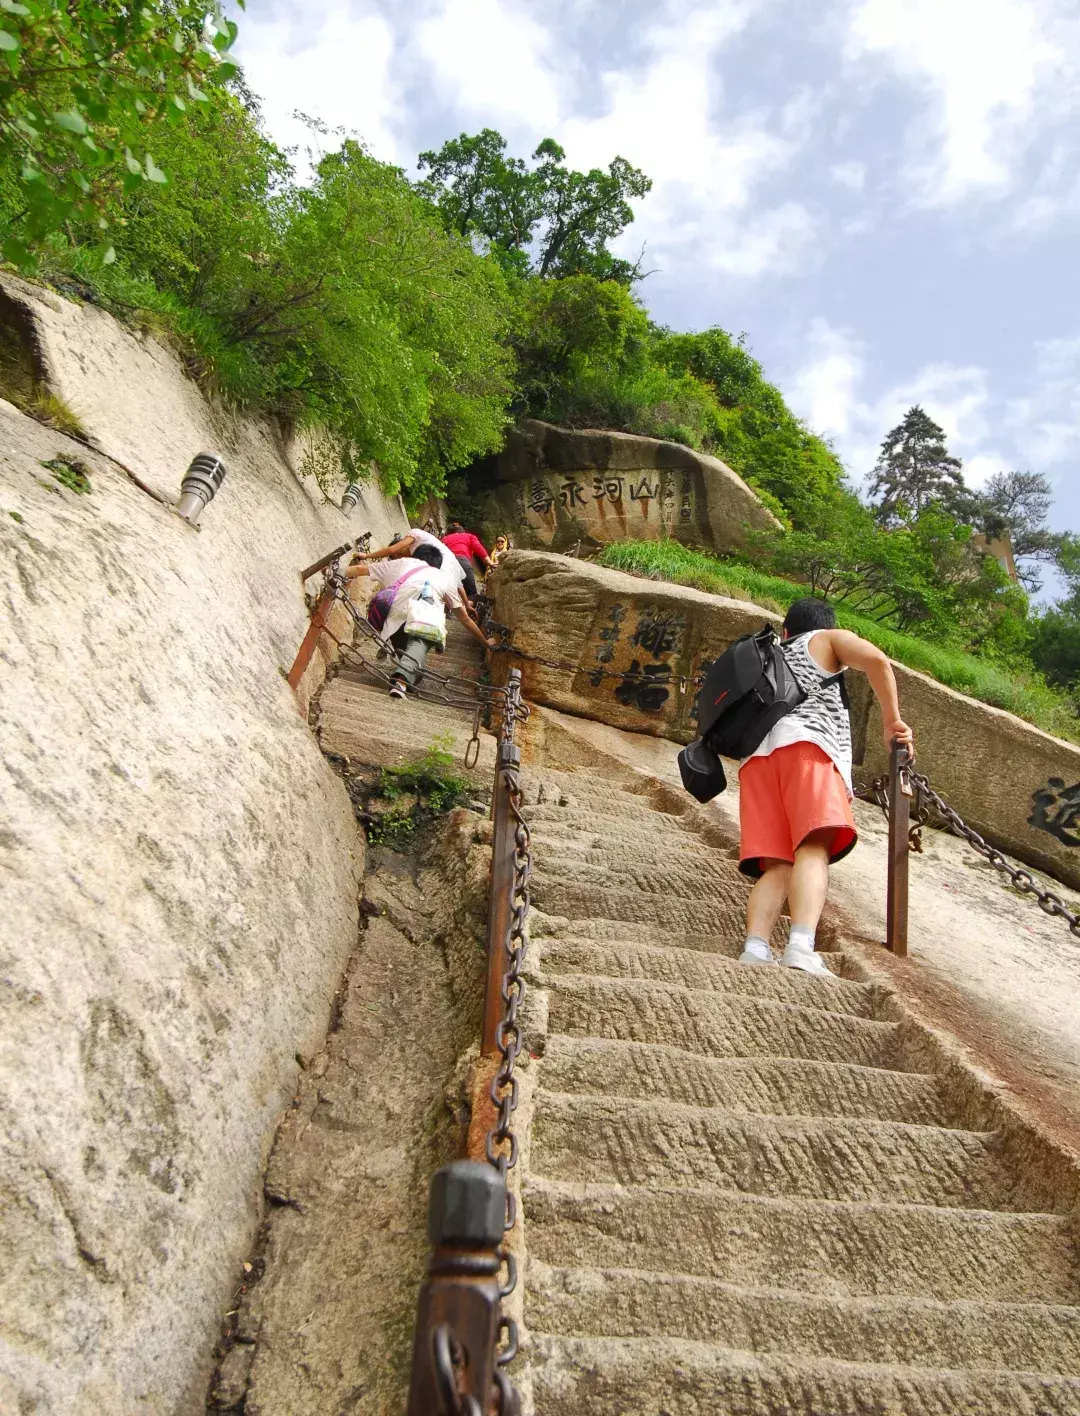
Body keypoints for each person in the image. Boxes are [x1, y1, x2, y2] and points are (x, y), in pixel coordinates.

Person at [737, 597, 914, 976]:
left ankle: (755, 947)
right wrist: (891, 723)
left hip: (756, 761)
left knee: (778, 865)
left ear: (785, 631)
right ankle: (800, 946)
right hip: (808, 750)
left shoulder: (769, 655)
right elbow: (878, 662)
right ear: (827, 624)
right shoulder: (826, 639)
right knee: (813, 847)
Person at [346, 543, 495, 698]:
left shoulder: (401, 563)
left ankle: (406, 675)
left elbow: (358, 570)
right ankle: (401, 682)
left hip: (395, 620)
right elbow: (464, 618)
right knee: (420, 643)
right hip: (425, 620)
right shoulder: (444, 578)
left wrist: (335, 572)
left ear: (415, 556)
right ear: (437, 564)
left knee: (411, 660)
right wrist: (485, 642)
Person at [441, 521, 492, 600]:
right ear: (462, 531)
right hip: (463, 562)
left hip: (447, 563)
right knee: (471, 595)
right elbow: (478, 547)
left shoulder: (445, 538)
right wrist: (489, 561)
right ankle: (470, 607)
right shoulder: (469, 536)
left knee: (445, 594)